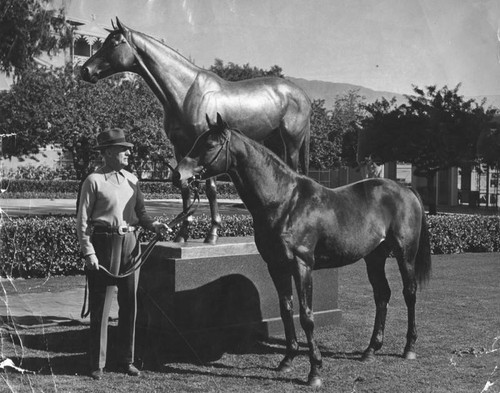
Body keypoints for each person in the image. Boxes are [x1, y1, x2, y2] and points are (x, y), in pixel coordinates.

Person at [76, 128, 170, 380]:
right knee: (102, 308)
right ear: (107, 152)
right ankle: (97, 363)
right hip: (104, 244)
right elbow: (82, 221)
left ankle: (126, 360)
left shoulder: (132, 179)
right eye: (122, 149)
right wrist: (89, 253)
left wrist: (154, 225)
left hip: (131, 243)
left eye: (128, 148)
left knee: (130, 306)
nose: (128, 152)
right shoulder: (93, 181)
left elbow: (141, 213)